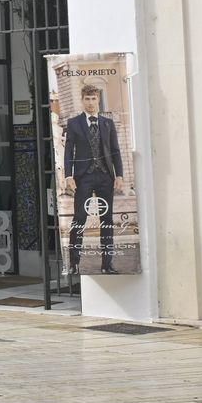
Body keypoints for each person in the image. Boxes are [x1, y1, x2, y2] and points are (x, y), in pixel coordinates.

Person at [63, 83, 124, 275]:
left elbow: (115, 151)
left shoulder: (108, 123)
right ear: (82, 101)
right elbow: (68, 153)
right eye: (87, 99)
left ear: (98, 100)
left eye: (93, 99)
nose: (90, 103)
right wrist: (68, 175)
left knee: (106, 219)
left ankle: (107, 264)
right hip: (84, 177)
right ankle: (74, 263)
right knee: (79, 218)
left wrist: (119, 175)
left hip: (105, 176)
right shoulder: (74, 123)